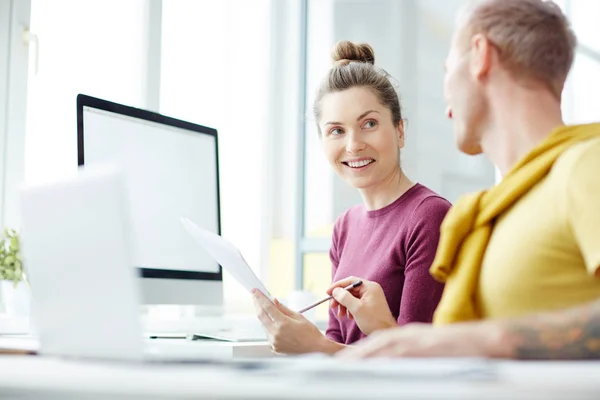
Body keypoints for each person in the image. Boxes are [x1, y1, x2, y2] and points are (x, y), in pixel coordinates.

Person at [329, 0, 600, 360]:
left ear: (479, 55)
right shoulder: (493, 214)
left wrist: (475, 341)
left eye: (447, 67)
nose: (445, 93)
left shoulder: (586, 164)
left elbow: (468, 343)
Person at [251, 41, 451, 354]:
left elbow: (419, 364)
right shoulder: (345, 226)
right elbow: (338, 339)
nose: (353, 145)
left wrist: (314, 346)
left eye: (368, 124)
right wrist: (307, 339)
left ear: (399, 131)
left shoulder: (430, 217)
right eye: (336, 131)